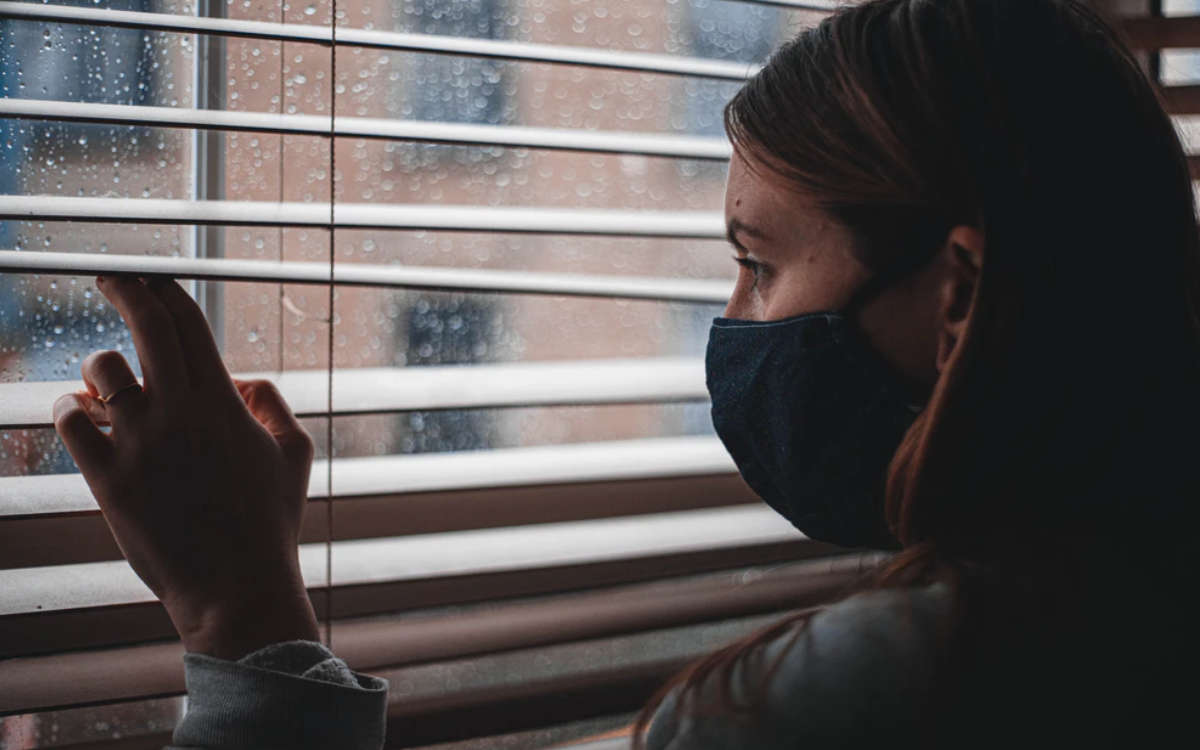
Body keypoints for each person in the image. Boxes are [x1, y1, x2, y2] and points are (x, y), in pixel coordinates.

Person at [51, 0, 1195, 747]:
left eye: (757, 263)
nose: (733, 321)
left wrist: (235, 607)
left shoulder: (864, 700)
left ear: (957, 297)